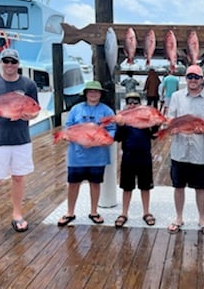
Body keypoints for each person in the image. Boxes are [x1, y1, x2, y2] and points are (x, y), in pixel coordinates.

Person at [0, 48, 39, 243]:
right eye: (6, 61)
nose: (9, 65)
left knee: (19, 178)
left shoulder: (28, 84)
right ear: (1, 62)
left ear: (18, 63)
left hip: (21, 139)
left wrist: (31, 115)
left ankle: (17, 215)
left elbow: (36, 110)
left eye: (13, 61)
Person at [166, 65, 204, 236]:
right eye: (190, 77)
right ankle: (178, 217)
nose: (193, 80)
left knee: (200, 187)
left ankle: (202, 218)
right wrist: (171, 128)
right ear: (185, 79)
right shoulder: (176, 96)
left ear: (202, 79)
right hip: (179, 150)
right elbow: (170, 118)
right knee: (178, 186)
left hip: (199, 151)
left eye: (196, 77)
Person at [57, 81, 116, 227]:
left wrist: (106, 139)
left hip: (98, 156)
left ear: (100, 94)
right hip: (77, 156)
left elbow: (112, 129)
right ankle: (70, 212)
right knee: (73, 184)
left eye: (96, 92)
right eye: (90, 92)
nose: (93, 94)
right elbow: (68, 127)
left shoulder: (107, 111)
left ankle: (94, 211)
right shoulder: (76, 109)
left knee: (95, 184)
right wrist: (66, 136)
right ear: (86, 94)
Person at [114, 92, 158, 228]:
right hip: (128, 155)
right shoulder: (123, 118)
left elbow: (154, 136)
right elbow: (118, 138)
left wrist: (155, 125)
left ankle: (146, 212)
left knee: (146, 186)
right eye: (129, 102)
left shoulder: (146, 116)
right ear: (126, 104)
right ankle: (124, 213)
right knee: (127, 186)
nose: (132, 105)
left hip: (144, 155)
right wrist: (120, 126)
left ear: (140, 104)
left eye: (135, 102)